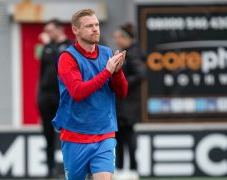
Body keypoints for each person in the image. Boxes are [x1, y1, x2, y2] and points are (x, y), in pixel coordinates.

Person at [52, 9, 128, 180]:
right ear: (75, 30)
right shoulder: (67, 58)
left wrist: (116, 73)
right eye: (89, 26)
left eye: (97, 25)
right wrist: (107, 71)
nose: (95, 29)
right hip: (75, 134)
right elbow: (78, 92)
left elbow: (122, 92)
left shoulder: (107, 53)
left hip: (104, 133)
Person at [37, 19, 71, 178]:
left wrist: (48, 45)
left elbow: (60, 62)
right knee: (47, 134)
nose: (47, 34)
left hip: (62, 97)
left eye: (50, 30)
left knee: (69, 134)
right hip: (46, 97)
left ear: (59, 29)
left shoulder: (68, 46)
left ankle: (72, 167)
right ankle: (50, 169)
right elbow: (42, 71)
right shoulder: (46, 48)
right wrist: (39, 96)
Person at [113, 22, 146, 177]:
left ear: (126, 38)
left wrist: (122, 82)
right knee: (118, 138)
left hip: (129, 104)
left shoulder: (133, 53)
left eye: (119, 37)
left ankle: (133, 169)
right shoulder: (124, 52)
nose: (116, 40)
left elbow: (140, 75)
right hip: (121, 104)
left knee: (129, 138)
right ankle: (120, 168)